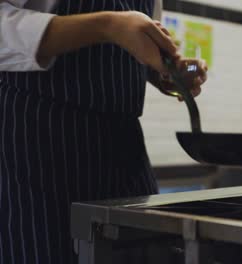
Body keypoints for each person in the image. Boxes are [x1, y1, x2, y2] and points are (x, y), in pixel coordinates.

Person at [0, 0, 208, 263]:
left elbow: (132, 44)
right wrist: (107, 26)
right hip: (36, 145)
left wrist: (165, 72)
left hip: (126, 152)